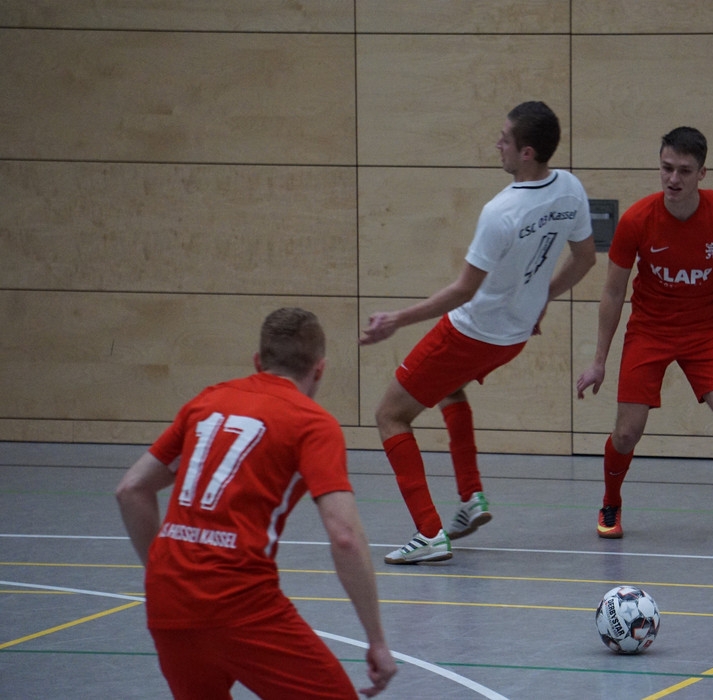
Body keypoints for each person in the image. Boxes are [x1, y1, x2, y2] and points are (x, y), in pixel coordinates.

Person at [115, 307, 396, 699]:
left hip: (168, 602)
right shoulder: (311, 423)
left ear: (258, 361)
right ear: (319, 369)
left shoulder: (206, 403)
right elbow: (345, 536)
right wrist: (377, 640)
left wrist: (166, 575)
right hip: (241, 602)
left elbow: (131, 489)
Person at [360, 100, 596, 565]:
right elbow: (585, 259)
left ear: (527, 152)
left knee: (390, 415)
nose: (497, 145)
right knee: (449, 390)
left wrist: (397, 319)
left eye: (504, 139)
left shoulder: (501, 211)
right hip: (513, 338)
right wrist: (540, 298)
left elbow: (463, 291)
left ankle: (429, 533)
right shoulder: (570, 189)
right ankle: (471, 497)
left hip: (471, 332)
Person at [576, 126, 713, 539]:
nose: (673, 179)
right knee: (627, 432)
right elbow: (612, 292)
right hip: (649, 332)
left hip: (703, 333)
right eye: (666, 168)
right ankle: (611, 501)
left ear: (702, 173)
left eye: (684, 171)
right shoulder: (637, 220)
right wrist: (599, 361)